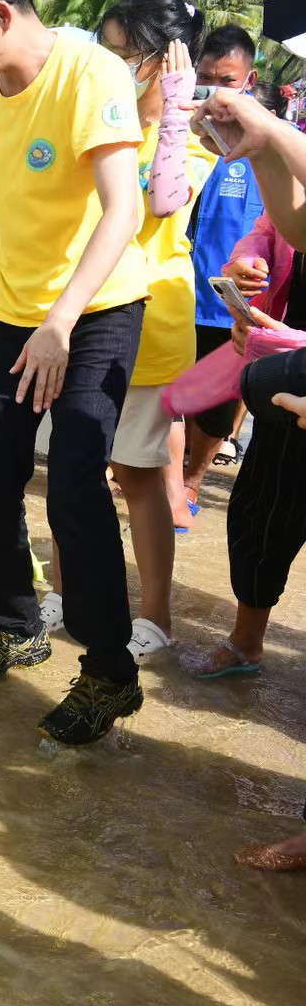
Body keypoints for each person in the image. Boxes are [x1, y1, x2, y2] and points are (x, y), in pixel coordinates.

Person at [0, 0, 152, 745]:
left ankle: (109, 673)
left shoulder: (92, 74)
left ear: (3, 13)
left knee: (75, 486)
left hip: (97, 308)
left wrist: (62, 320)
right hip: (12, 310)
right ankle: (17, 625)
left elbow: (125, 210)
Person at [41, 0, 213, 658]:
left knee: (138, 475)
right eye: (104, 48)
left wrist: (174, 107)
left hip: (146, 325)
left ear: (162, 61)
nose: (107, 63)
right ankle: (62, 590)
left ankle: (157, 617)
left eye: (121, 53)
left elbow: (163, 201)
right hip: (72, 316)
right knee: (69, 467)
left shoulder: (190, 135)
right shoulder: (97, 115)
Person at [179, 89, 306, 684]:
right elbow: (288, 228)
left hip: (294, 362)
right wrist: (258, 148)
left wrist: (271, 133)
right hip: (289, 371)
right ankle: (247, 640)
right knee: (262, 509)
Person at [183, 25, 264, 518]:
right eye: (205, 79)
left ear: (249, 79)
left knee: (215, 404)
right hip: (172, 291)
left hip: (230, 303)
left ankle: (192, 480)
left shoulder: (270, 144)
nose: (214, 91)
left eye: (226, 80)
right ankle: (166, 474)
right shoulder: (179, 135)